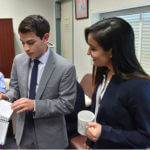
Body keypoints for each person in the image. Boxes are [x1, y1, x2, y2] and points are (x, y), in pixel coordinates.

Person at [0, 15, 76, 149]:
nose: (26, 48)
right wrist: (8, 96)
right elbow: (15, 89)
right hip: (23, 132)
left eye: (30, 42)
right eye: (22, 42)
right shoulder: (18, 60)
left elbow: (67, 104)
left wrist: (35, 105)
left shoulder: (65, 67)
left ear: (45, 38)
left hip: (51, 136)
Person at [84, 17, 150, 149]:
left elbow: (146, 137)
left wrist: (104, 133)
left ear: (112, 51)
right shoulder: (104, 74)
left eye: (93, 49)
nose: (88, 52)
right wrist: (91, 141)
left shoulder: (139, 86)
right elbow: (98, 115)